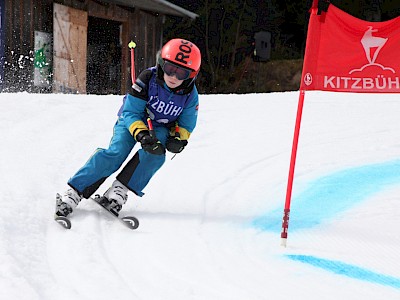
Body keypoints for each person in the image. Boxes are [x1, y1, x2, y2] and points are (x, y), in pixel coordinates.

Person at [55, 38, 201, 217]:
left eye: (182, 73)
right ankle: (75, 190)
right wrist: (141, 134)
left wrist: (179, 138)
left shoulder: (190, 95)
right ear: (162, 64)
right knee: (117, 153)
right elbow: (131, 112)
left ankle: (118, 190)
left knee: (155, 154)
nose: (173, 77)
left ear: (192, 75)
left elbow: (186, 124)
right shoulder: (148, 79)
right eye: (170, 69)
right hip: (132, 121)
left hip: (160, 127)